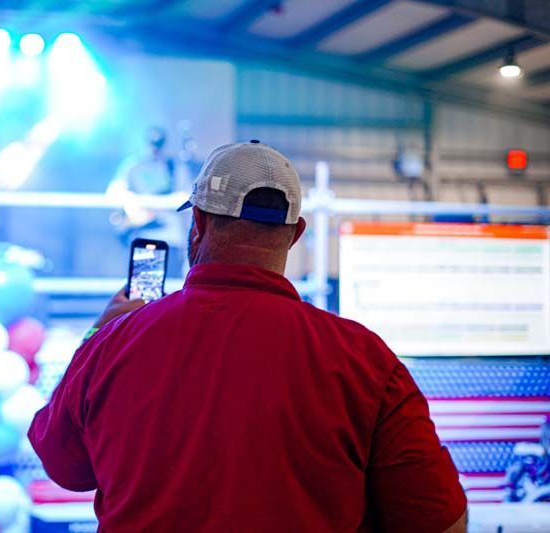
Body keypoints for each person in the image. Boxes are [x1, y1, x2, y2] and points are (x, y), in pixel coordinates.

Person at [30, 141, 468, 532]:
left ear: (197, 222)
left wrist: (96, 333)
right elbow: (440, 520)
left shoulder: (116, 342)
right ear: (296, 234)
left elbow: (63, 465)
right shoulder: (364, 358)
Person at [107, 126, 193, 272]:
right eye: (151, 144)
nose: (154, 149)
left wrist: (161, 203)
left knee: (168, 289)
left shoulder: (175, 167)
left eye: (158, 144)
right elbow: (114, 192)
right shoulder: (133, 165)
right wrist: (133, 203)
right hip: (143, 237)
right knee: (144, 287)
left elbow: (188, 197)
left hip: (170, 237)